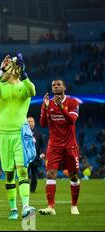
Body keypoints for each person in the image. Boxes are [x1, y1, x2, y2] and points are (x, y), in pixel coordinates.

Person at [0, 53, 36, 220]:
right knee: (9, 174)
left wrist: (24, 73)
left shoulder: (24, 85)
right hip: (3, 134)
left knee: (22, 170)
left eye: (9, 66)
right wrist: (0, 71)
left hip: (19, 133)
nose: (7, 69)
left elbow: (33, 91)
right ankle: (14, 209)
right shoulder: (1, 85)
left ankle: (26, 206)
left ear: (16, 69)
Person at [39, 79, 81, 215]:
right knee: (50, 174)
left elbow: (72, 120)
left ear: (64, 87)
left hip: (70, 145)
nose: (56, 87)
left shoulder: (73, 102)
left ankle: (74, 205)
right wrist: (45, 107)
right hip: (54, 145)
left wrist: (61, 107)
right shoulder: (48, 103)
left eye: (58, 84)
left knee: (73, 176)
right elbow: (43, 124)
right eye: (53, 85)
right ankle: (51, 207)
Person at [27, 116, 45, 193]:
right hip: (26, 157)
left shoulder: (38, 133)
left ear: (34, 123)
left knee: (34, 174)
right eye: (29, 122)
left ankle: (32, 189)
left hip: (35, 157)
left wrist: (43, 152)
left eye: (32, 121)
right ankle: (25, 189)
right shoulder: (23, 133)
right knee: (25, 174)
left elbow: (42, 144)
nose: (31, 123)